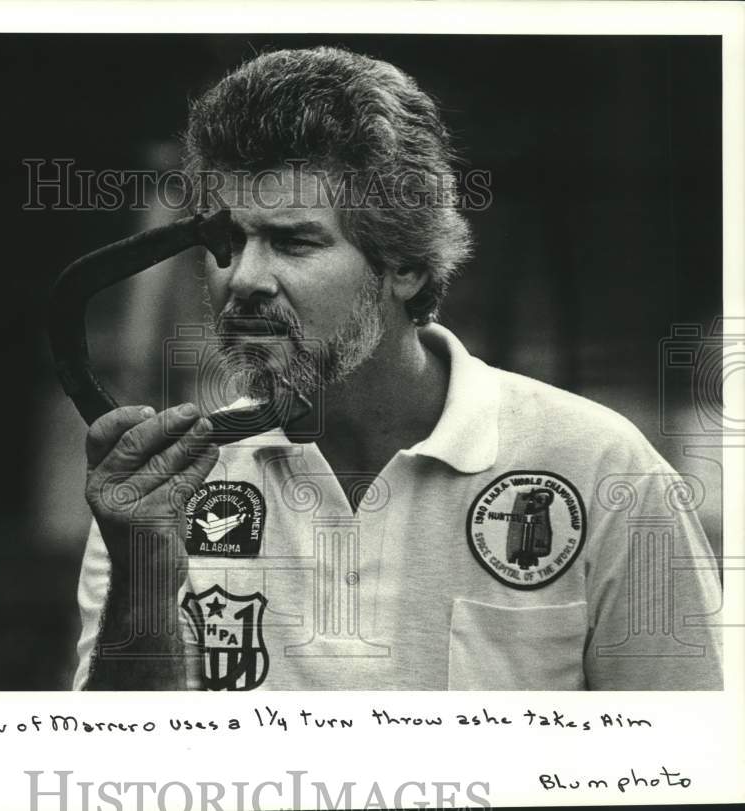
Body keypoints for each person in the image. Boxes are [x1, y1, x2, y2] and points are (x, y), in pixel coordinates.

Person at [72, 46, 722, 691]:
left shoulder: (602, 469)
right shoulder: (163, 488)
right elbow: (117, 778)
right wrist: (146, 570)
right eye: (227, 243)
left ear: (405, 265)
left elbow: (685, 762)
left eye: (293, 241)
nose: (242, 278)